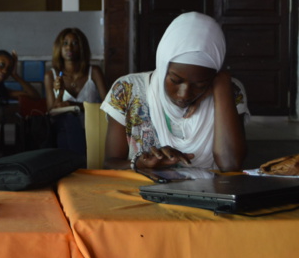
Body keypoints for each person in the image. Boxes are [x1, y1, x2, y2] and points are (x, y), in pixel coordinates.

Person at [101, 11, 248, 172]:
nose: (184, 94)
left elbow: (231, 164)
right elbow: (110, 164)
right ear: (163, 66)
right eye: (175, 81)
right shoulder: (127, 90)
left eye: (200, 84)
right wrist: (140, 164)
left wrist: (221, 85)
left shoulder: (230, 91)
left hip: (210, 194)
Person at [43, 28, 107, 156]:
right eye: (65, 43)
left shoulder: (94, 72)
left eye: (75, 43)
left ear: (82, 48)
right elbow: (51, 113)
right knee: (69, 120)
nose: (69, 48)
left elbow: (108, 105)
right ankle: (80, 164)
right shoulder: (51, 76)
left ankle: (76, 165)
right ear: (59, 48)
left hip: (92, 126)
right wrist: (60, 94)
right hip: (64, 128)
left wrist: (75, 106)